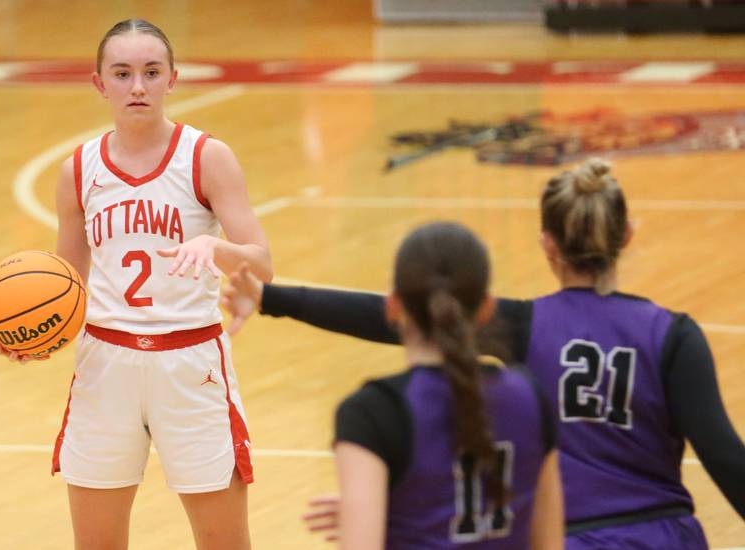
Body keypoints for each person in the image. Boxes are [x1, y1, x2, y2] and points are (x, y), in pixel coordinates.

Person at [223, 159, 745, 548]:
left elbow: (389, 315)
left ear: (547, 244)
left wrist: (273, 298)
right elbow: (725, 457)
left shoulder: (526, 325)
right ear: (626, 235)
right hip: (665, 536)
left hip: (569, 537)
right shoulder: (674, 335)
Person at [0, 19, 271, 550]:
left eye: (151, 72)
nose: (137, 86)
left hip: (191, 365)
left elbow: (262, 264)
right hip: (105, 365)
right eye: (122, 74)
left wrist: (216, 249)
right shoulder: (77, 170)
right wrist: (34, 332)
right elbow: (66, 281)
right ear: (99, 83)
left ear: (173, 79)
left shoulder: (207, 158)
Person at [306, 221, 563, 549]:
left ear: (393, 306)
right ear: (487, 308)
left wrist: (373, 518)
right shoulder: (531, 398)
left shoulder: (371, 413)